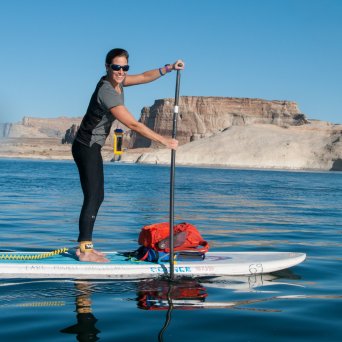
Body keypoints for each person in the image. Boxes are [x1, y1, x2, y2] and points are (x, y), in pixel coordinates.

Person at [72, 48, 185, 262]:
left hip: (89, 146)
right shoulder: (107, 91)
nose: (121, 71)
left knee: (97, 195)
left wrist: (169, 68)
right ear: (107, 67)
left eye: (125, 67)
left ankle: (86, 246)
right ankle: (85, 250)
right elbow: (132, 123)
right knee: (94, 195)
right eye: (116, 67)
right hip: (86, 146)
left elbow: (143, 77)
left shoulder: (118, 82)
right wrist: (164, 141)